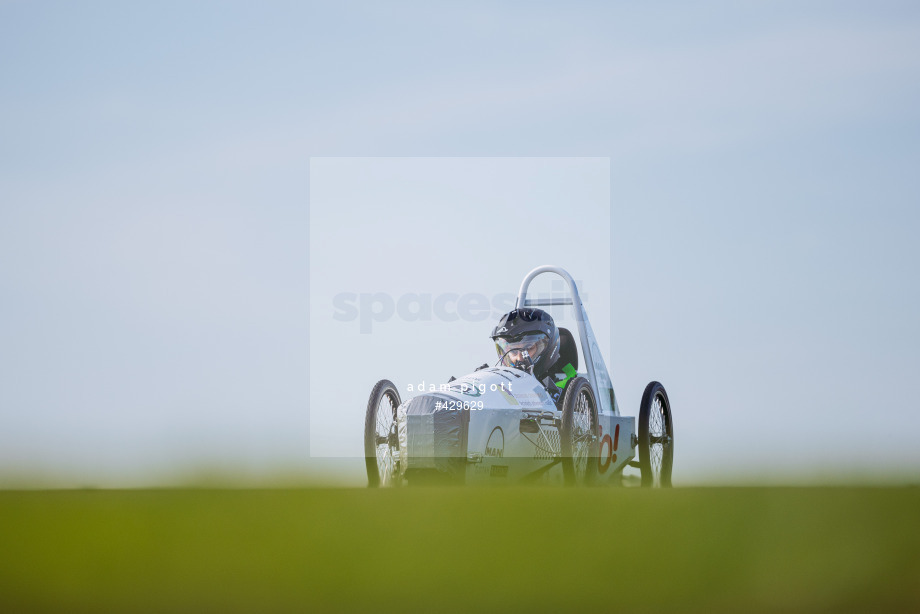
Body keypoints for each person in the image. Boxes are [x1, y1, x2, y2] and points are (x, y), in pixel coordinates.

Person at [491, 308, 572, 404]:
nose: (519, 358)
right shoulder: (495, 385)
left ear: (548, 347)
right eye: (513, 351)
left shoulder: (569, 390)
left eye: (528, 348)